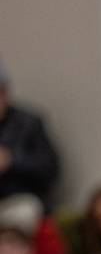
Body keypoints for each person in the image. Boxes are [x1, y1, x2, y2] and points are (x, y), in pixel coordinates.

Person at [0, 60, 60, 214]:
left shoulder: (29, 123)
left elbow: (49, 168)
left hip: (20, 199)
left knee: (24, 211)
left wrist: (11, 160)